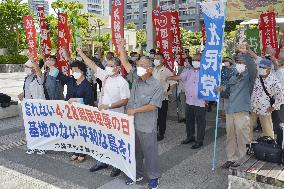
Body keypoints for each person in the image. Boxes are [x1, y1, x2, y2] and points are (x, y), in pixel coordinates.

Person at [77, 47, 130, 177]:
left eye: (111, 66)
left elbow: (124, 101)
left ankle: (117, 165)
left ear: (118, 68)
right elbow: (93, 65)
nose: (108, 67)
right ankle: (102, 161)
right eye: (107, 65)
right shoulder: (105, 76)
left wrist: (108, 106)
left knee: (115, 141)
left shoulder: (122, 82)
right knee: (102, 139)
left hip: (116, 117)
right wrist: (81, 54)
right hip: (103, 116)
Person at [118, 39, 163, 189]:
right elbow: (124, 62)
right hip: (132, 124)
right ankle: (136, 174)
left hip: (146, 125)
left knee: (150, 153)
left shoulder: (156, 85)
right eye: (138, 65)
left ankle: (154, 177)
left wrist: (135, 110)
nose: (139, 67)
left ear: (150, 68)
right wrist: (121, 47)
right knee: (135, 151)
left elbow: (153, 106)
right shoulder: (135, 79)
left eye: (142, 66)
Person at [218, 44, 257, 168]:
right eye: (238, 61)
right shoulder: (234, 75)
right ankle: (231, 158)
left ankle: (243, 159)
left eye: (242, 62)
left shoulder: (250, 76)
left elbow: (252, 67)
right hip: (230, 110)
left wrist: (246, 53)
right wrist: (221, 89)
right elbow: (228, 90)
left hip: (242, 110)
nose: (240, 63)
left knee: (242, 135)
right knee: (230, 135)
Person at [48, 59, 94, 162]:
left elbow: (89, 100)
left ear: (82, 71)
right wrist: (50, 66)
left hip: (83, 113)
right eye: (72, 71)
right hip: (71, 112)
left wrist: (76, 100)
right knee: (74, 131)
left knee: (82, 132)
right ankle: (75, 150)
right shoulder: (70, 80)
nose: (74, 73)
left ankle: (83, 152)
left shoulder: (87, 84)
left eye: (76, 71)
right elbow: (59, 75)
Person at [167, 53, 207, 149]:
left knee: (201, 122)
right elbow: (179, 77)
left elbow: (211, 86)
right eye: (194, 60)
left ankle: (200, 140)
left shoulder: (206, 72)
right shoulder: (189, 71)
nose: (195, 62)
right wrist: (169, 77)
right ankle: (190, 137)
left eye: (198, 60)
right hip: (189, 101)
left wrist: (208, 99)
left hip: (201, 102)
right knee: (189, 121)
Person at [250, 58, 284, 139]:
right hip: (253, 107)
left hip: (264, 109)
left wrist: (274, 107)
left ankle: (270, 146)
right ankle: (248, 144)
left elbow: (281, 95)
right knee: (247, 128)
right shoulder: (256, 77)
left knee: (267, 131)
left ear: (269, 68)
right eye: (260, 67)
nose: (261, 69)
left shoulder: (274, 80)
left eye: (263, 67)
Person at [18, 58, 46, 155]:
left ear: (33, 68)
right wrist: (22, 94)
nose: (26, 69)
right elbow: (27, 89)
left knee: (40, 126)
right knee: (31, 127)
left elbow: (38, 70)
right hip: (29, 107)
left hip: (38, 106)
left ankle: (42, 147)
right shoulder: (27, 78)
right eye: (25, 67)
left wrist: (34, 62)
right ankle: (32, 146)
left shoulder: (38, 77)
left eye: (28, 67)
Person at [153, 52, 177, 141]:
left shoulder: (166, 71)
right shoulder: (153, 70)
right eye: (155, 58)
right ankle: (154, 132)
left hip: (162, 98)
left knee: (161, 117)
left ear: (162, 60)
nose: (155, 60)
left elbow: (173, 82)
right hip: (153, 99)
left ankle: (161, 133)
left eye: (157, 58)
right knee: (154, 117)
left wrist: (169, 91)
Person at [272, 49, 284, 133]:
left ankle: (280, 134)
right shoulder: (278, 69)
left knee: (280, 119)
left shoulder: (280, 71)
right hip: (277, 97)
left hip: (280, 98)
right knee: (277, 118)